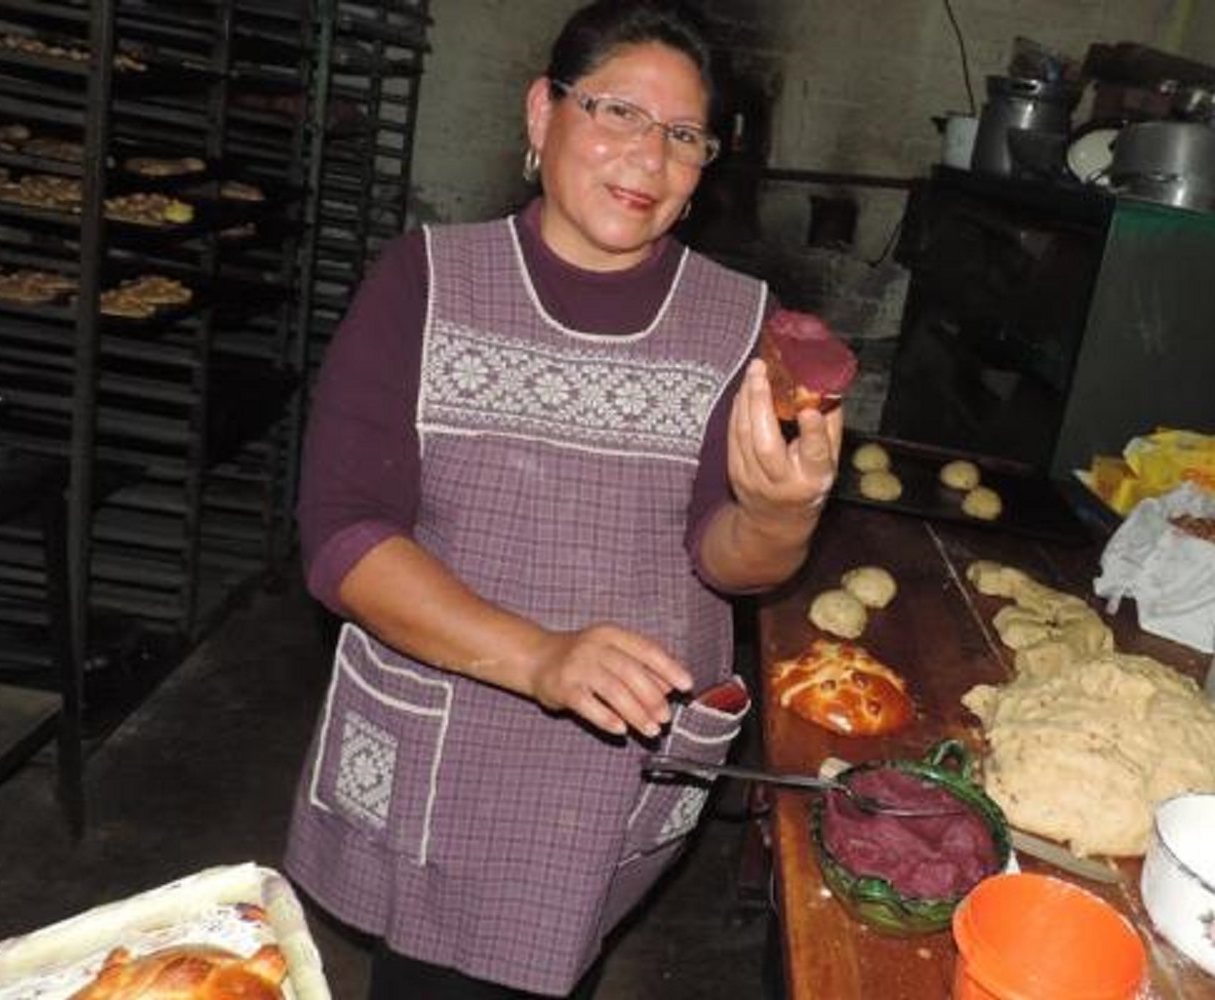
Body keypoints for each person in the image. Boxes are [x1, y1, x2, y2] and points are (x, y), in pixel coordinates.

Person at [283, 2, 843, 996]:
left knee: (560, 963)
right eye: (617, 112)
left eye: (682, 135)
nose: (649, 157)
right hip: (450, 741)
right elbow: (342, 538)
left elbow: (727, 561)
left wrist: (779, 514)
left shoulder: (736, 319)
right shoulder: (428, 280)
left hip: (616, 759)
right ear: (543, 113)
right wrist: (539, 656)